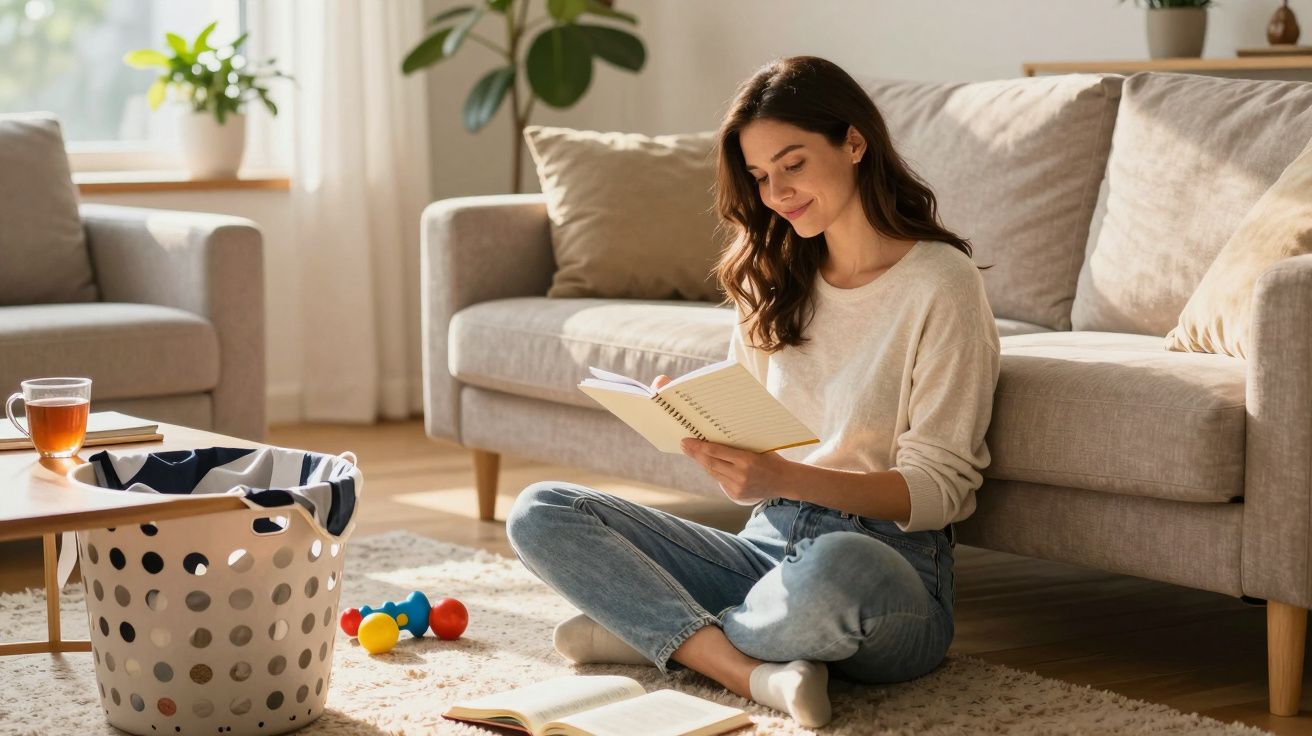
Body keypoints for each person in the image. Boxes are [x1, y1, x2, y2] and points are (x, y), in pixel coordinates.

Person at [505, 55, 1000, 728]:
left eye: (793, 164)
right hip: (765, 552)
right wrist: (706, 431)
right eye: (761, 177)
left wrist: (785, 475)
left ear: (854, 142)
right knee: (541, 510)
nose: (777, 193)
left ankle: (656, 632)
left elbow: (940, 489)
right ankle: (749, 669)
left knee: (838, 564)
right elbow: (759, 462)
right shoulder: (770, 276)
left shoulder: (942, 282)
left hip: (888, 568)